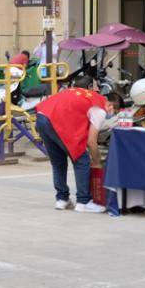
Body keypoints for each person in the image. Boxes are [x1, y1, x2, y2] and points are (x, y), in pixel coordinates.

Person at [35, 75, 110, 213]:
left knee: (58, 162)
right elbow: (91, 141)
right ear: (90, 88)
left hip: (42, 117)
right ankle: (83, 201)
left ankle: (62, 199)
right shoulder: (97, 103)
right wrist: (97, 161)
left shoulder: (68, 92)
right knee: (82, 160)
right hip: (58, 122)